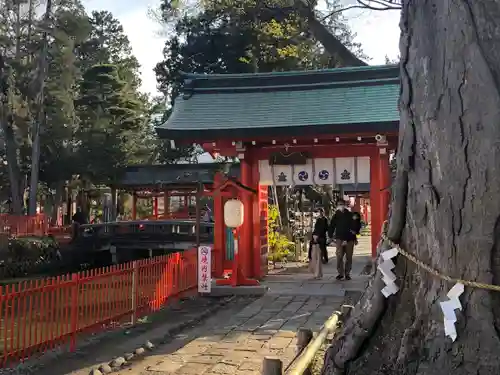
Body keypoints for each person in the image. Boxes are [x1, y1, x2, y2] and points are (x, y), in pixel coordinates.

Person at [328, 200, 361, 281]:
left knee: (349, 257)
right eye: (339, 205)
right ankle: (340, 273)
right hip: (339, 239)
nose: (340, 206)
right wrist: (330, 236)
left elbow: (356, 225)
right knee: (339, 256)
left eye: (342, 204)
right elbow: (332, 226)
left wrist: (355, 235)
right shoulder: (336, 216)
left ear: (345, 205)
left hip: (349, 239)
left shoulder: (350, 215)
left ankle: (347, 273)